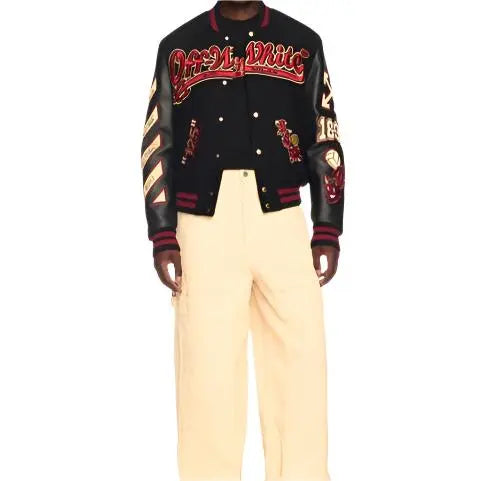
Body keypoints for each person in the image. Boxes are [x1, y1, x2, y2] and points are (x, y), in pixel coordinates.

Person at [140, 1, 344, 480]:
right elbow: (157, 141)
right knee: (207, 372)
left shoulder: (301, 43)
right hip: (202, 224)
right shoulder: (178, 47)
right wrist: (163, 232)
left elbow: (324, 135)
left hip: (283, 219)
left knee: (300, 363)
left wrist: (327, 226)